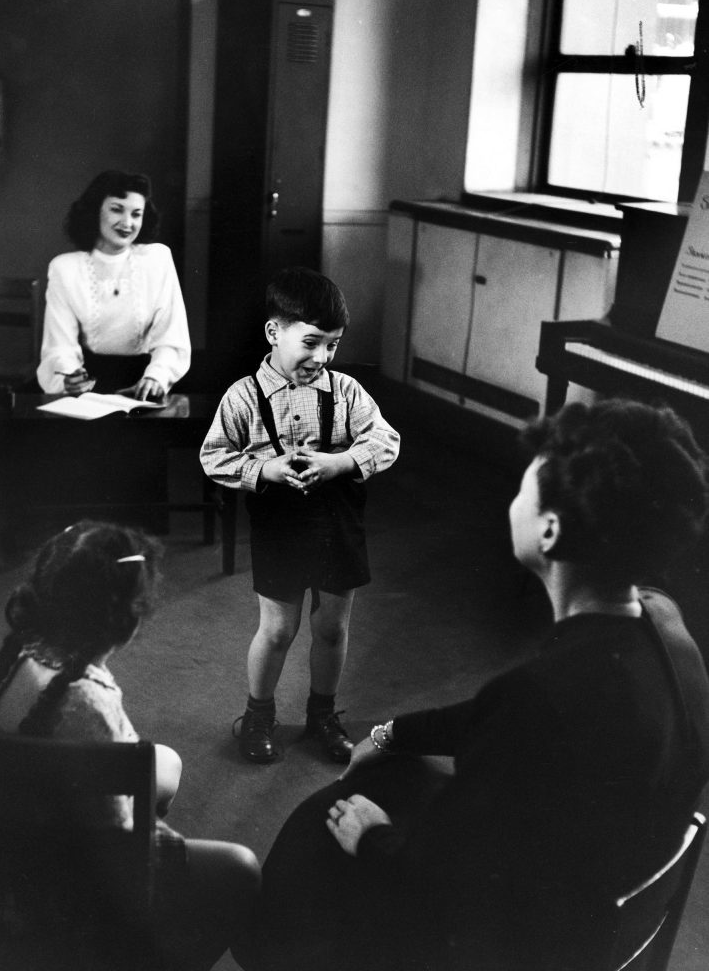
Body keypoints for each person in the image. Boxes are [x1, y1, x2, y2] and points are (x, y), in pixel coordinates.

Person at [232, 398, 709, 971]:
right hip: (590, 888)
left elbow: (444, 892)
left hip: (513, 941)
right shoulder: (662, 622)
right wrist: (394, 732)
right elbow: (508, 717)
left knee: (317, 839)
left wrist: (374, 838)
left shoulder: (538, 697)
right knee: (400, 770)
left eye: (523, 491)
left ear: (550, 531)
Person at [0, 519, 261, 971]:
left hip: (12, 828)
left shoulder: (27, 651)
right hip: (72, 864)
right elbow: (118, 826)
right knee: (239, 867)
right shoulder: (86, 698)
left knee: (166, 763)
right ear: (128, 620)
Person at [200, 268, 400, 764]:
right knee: (278, 630)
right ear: (274, 333)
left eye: (332, 345)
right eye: (311, 343)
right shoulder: (243, 397)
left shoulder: (347, 391)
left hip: (338, 523)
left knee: (332, 626)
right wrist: (265, 467)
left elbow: (385, 440)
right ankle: (259, 714)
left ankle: (322, 715)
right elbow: (213, 457)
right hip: (281, 525)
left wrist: (340, 462)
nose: (322, 357)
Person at [36, 170, 191, 401]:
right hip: (88, 386)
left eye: (136, 214)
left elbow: (172, 337)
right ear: (95, 210)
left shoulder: (157, 260)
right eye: (116, 209)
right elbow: (59, 345)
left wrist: (156, 377)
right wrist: (70, 378)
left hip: (146, 383)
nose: (127, 223)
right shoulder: (65, 269)